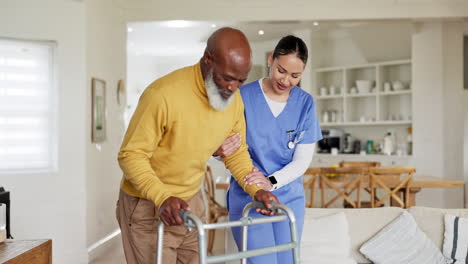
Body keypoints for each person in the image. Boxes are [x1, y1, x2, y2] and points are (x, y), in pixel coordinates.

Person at [116, 27, 279, 264]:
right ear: (207, 59)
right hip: (149, 204)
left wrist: (258, 190)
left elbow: (236, 154)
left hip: (192, 200)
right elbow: (130, 155)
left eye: (241, 80)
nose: (233, 87)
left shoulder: (233, 101)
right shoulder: (163, 95)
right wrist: (162, 197)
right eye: (227, 78)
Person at [215, 35, 322, 264]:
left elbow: (302, 161)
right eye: (281, 70)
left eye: (295, 75)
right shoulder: (242, 97)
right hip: (248, 195)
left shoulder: (305, 103)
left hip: (288, 198)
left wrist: (270, 182)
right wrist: (218, 149)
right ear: (271, 59)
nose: (286, 80)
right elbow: (226, 148)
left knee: (287, 261)